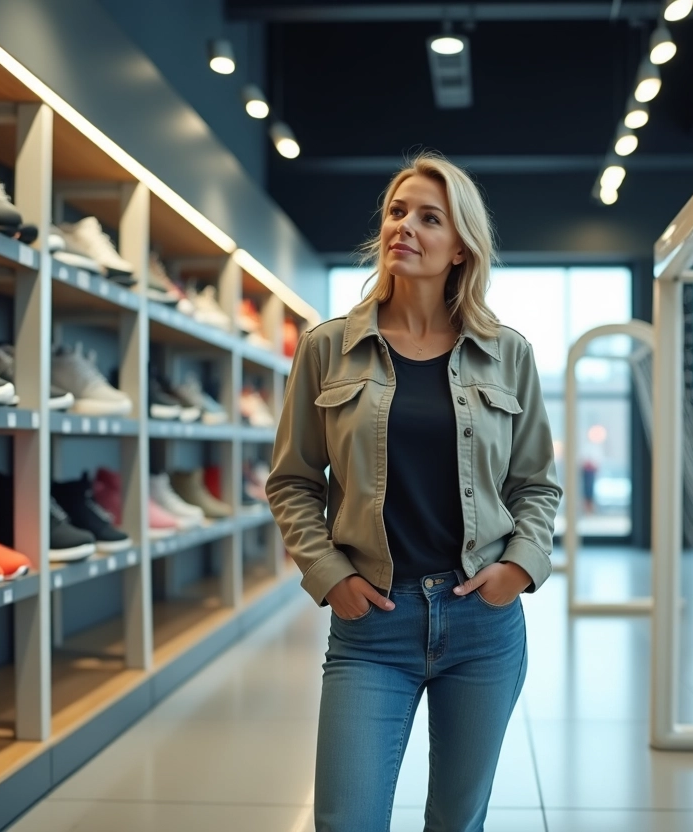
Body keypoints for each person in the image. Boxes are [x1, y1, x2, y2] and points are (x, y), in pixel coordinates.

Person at [267, 152, 561, 832]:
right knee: (346, 820)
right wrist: (330, 574)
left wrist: (519, 567)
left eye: (430, 218)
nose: (405, 226)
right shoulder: (327, 348)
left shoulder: (507, 352)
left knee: (456, 822)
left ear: (460, 247)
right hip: (373, 624)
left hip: (481, 623)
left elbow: (536, 483)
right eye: (397, 212)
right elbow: (292, 481)